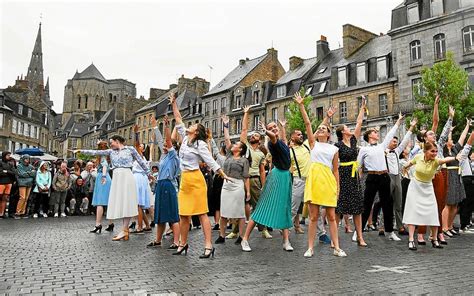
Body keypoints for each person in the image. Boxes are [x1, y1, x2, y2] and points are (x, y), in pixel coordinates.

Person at [169, 92, 230, 258]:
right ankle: (183, 243)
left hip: (196, 179)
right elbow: (178, 118)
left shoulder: (201, 144)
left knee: (202, 213)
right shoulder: (184, 138)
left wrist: (222, 173)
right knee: (183, 214)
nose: (192, 125)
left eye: (194, 125)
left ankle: (208, 245)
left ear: (196, 132)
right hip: (185, 180)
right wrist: (174, 102)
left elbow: (210, 160)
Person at [293, 93, 346, 257]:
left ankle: (336, 247)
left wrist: (338, 188)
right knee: (314, 216)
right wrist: (301, 105)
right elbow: (308, 124)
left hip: (328, 181)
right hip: (314, 180)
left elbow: (335, 170)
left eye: (324, 128)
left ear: (328, 134)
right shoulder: (313, 144)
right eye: (320, 128)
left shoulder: (334, 149)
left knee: (331, 216)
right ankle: (310, 247)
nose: (320, 129)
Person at [73, 135, 153, 241]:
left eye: (112, 142)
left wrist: (148, 174)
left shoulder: (130, 149)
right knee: (120, 202)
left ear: (117, 141)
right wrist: (80, 151)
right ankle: (125, 230)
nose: (110, 144)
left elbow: (141, 161)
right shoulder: (111, 152)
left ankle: (125, 230)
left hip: (127, 176)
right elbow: (96, 152)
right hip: (117, 177)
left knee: (127, 203)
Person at [240, 117, 294, 253]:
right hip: (277, 176)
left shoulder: (281, 141)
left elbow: (284, 140)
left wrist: (282, 127)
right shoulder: (272, 143)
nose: (274, 129)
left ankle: (286, 241)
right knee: (262, 207)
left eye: (274, 126)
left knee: (285, 208)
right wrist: (266, 131)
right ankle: (245, 239)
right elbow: (274, 138)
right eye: (271, 128)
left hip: (286, 176)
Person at [357, 112, 405, 242]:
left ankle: (389, 231)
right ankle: (358, 232)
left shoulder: (382, 146)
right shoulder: (364, 149)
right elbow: (357, 165)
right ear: (368, 136)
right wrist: (356, 180)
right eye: (374, 132)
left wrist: (398, 121)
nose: (377, 134)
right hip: (372, 177)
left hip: (384, 177)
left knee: (387, 204)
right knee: (367, 205)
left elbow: (390, 134)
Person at [411, 99, 453, 245]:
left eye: (433, 135)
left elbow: (443, 127)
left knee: (440, 204)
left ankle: (439, 233)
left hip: (441, 174)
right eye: (430, 134)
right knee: (425, 204)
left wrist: (451, 116)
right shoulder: (423, 148)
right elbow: (435, 122)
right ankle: (421, 233)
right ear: (425, 138)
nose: (433, 135)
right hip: (427, 177)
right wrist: (435, 105)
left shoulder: (439, 144)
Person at [402, 141, 457, 250]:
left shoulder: (436, 161)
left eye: (436, 151)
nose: (434, 153)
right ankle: (411, 240)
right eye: (432, 151)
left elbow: (444, 160)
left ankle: (434, 239)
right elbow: (407, 165)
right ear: (425, 151)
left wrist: (455, 157)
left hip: (427, 187)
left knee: (433, 211)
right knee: (413, 211)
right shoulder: (418, 157)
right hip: (415, 186)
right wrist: (405, 173)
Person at [227, 105, 270, 239]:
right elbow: (244, 130)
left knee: (258, 206)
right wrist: (246, 113)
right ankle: (234, 231)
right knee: (238, 205)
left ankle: (263, 229)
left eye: (256, 135)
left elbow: (262, 171)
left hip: (255, 180)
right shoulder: (245, 149)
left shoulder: (261, 153)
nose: (253, 136)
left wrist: (264, 185)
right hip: (242, 179)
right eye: (252, 135)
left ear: (260, 140)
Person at [334, 97, 366, 246]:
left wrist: (362, 107)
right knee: (339, 208)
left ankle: (360, 236)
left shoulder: (353, 140)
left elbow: (359, 122)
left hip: (354, 176)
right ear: (342, 132)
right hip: (344, 174)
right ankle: (335, 239)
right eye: (347, 128)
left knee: (357, 207)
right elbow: (334, 163)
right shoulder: (337, 145)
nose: (349, 129)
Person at [215, 115, 250, 245]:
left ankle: (241, 236)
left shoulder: (244, 160)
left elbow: (246, 177)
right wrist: (225, 125)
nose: (233, 145)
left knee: (239, 212)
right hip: (226, 185)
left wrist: (248, 192)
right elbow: (227, 138)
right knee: (224, 211)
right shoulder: (229, 155)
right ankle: (222, 235)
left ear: (240, 149)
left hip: (237, 185)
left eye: (236, 144)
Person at [147, 116, 181, 249]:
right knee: (160, 215)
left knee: (172, 215)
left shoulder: (174, 157)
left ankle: (177, 241)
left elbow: (166, 140)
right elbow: (161, 141)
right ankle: (158, 240)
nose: (164, 146)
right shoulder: (164, 156)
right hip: (160, 185)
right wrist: (155, 126)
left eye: (167, 146)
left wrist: (167, 126)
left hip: (168, 185)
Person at [385, 118, 417, 236]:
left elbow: (404, 141)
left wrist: (411, 128)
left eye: (396, 142)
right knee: (386, 203)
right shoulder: (383, 150)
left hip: (397, 177)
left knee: (398, 203)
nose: (396, 143)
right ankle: (384, 226)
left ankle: (400, 226)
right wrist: (397, 123)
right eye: (393, 141)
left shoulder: (398, 151)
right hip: (387, 177)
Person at [441, 119, 470, 237]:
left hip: (457, 176)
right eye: (451, 139)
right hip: (449, 176)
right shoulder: (444, 152)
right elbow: (447, 139)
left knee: (455, 204)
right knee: (448, 203)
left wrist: (467, 125)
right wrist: (449, 132)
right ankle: (444, 227)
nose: (453, 141)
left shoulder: (454, 150)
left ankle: (450, 226)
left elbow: (463, 138)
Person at [130, 125, 153, 234]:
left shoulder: (140, 156)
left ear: (142, 150)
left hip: (138, 179)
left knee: (138, 205)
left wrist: (136, 134)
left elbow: (137, 144)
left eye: (141, 147)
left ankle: (139, 227)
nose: (139, 147)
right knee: (140, 205)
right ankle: (147, 225)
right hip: (141, 178)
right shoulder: (143, 158)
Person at [90, 141, 114, 234]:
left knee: (100, 202)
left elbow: (104, 166)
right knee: (109, 202)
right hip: (107, 177)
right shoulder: (107, 156)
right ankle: (111, 223)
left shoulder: (102, 156)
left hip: (102, 178)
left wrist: (103, 176)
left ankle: (98, 224)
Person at [458, 131, 474, 232]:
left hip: (470, 179)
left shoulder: (466, 159)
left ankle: (467, 223)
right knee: (465, 203)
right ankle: (463, 225)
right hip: (465, 179)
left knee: (470, 203)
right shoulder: (462, 157)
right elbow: (467, 146)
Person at [14, 154, 36, 218]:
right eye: (26, 159)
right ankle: (17, 212)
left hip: (29, 183)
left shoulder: (31, 166)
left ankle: (23, 212)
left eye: (28, 159)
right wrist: (29, 173)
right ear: (23, 159)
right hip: (22, 183)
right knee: (22, 198)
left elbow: (34, 174)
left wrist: (27, 173)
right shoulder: (19, 166)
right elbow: (21, 174)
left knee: (26, 198)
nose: (27, 160)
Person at [0, 151, 17, 218]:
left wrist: (6, 171)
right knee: (0, 198)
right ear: (4, 155)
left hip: (9, 183)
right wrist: (8, 173)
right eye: (8, 155)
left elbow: (14, 172)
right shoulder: (0, 162)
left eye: (9, 155)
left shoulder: (10, 164)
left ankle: (2, 213)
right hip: (1, 182)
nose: (9, 156)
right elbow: (0, 172)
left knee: (5, 198)